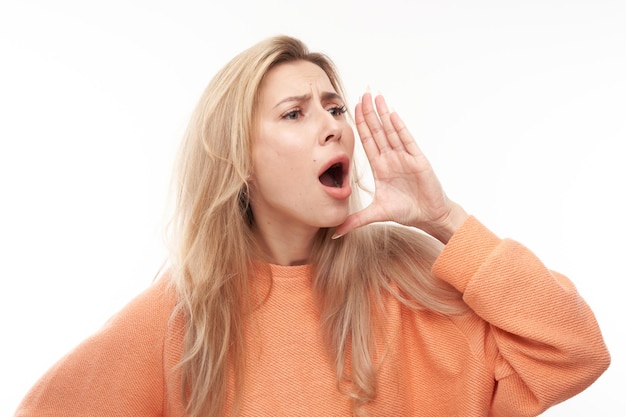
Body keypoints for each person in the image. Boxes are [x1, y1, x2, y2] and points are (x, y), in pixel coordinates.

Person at [15, 35, 610, 417]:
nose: (331, 126)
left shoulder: (412, 277)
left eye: (334, 108)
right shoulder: (186, 315)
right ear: (238, 161)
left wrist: (442, 217)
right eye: (295, 113)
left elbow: (577, 350)